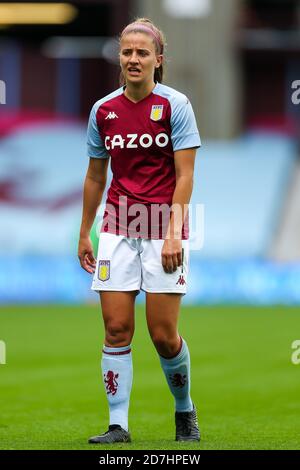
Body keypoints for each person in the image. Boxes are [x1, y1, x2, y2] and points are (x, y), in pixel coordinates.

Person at [78, 17, 201, 444]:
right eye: (127, 52)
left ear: (157, 60)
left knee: (164, 336)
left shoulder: (175, 106)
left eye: (142, 53)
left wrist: (174, 233)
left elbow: (185, 176)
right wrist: (84, 232)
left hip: (162, 225)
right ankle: (119, 425)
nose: (133, 59)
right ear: (120, 58)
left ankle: (184, 410)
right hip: (116, 224)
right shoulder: (104, 110)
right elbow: (96, 177)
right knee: (115, 329)